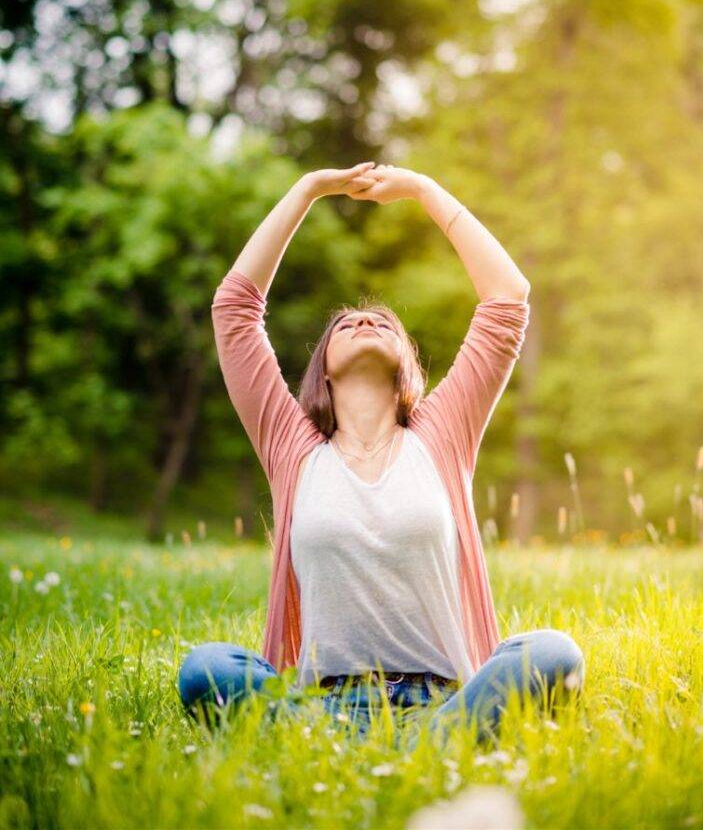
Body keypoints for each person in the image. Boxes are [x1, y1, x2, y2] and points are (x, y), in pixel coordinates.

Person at [178, 163, 585, 744]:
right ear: (321, 369)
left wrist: (424, 190)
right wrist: (309, 189)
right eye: (346, 323)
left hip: (444, 702)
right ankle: (374, 749)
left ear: (406, 366)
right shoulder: (293, 450)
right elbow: (235, 310)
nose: (364, 319)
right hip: (323, 707)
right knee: (207, 668)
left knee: (551, 653)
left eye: (382, 323)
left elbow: (507, 298)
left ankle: (412, 745)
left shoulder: (440, 436)